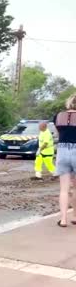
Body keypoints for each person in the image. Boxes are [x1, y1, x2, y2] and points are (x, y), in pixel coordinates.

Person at [53, 93, 76, 227]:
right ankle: (75, 216)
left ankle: (63, 219)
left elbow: (58, 133)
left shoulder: (58, 116)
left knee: (64, 189)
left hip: (62, 150)